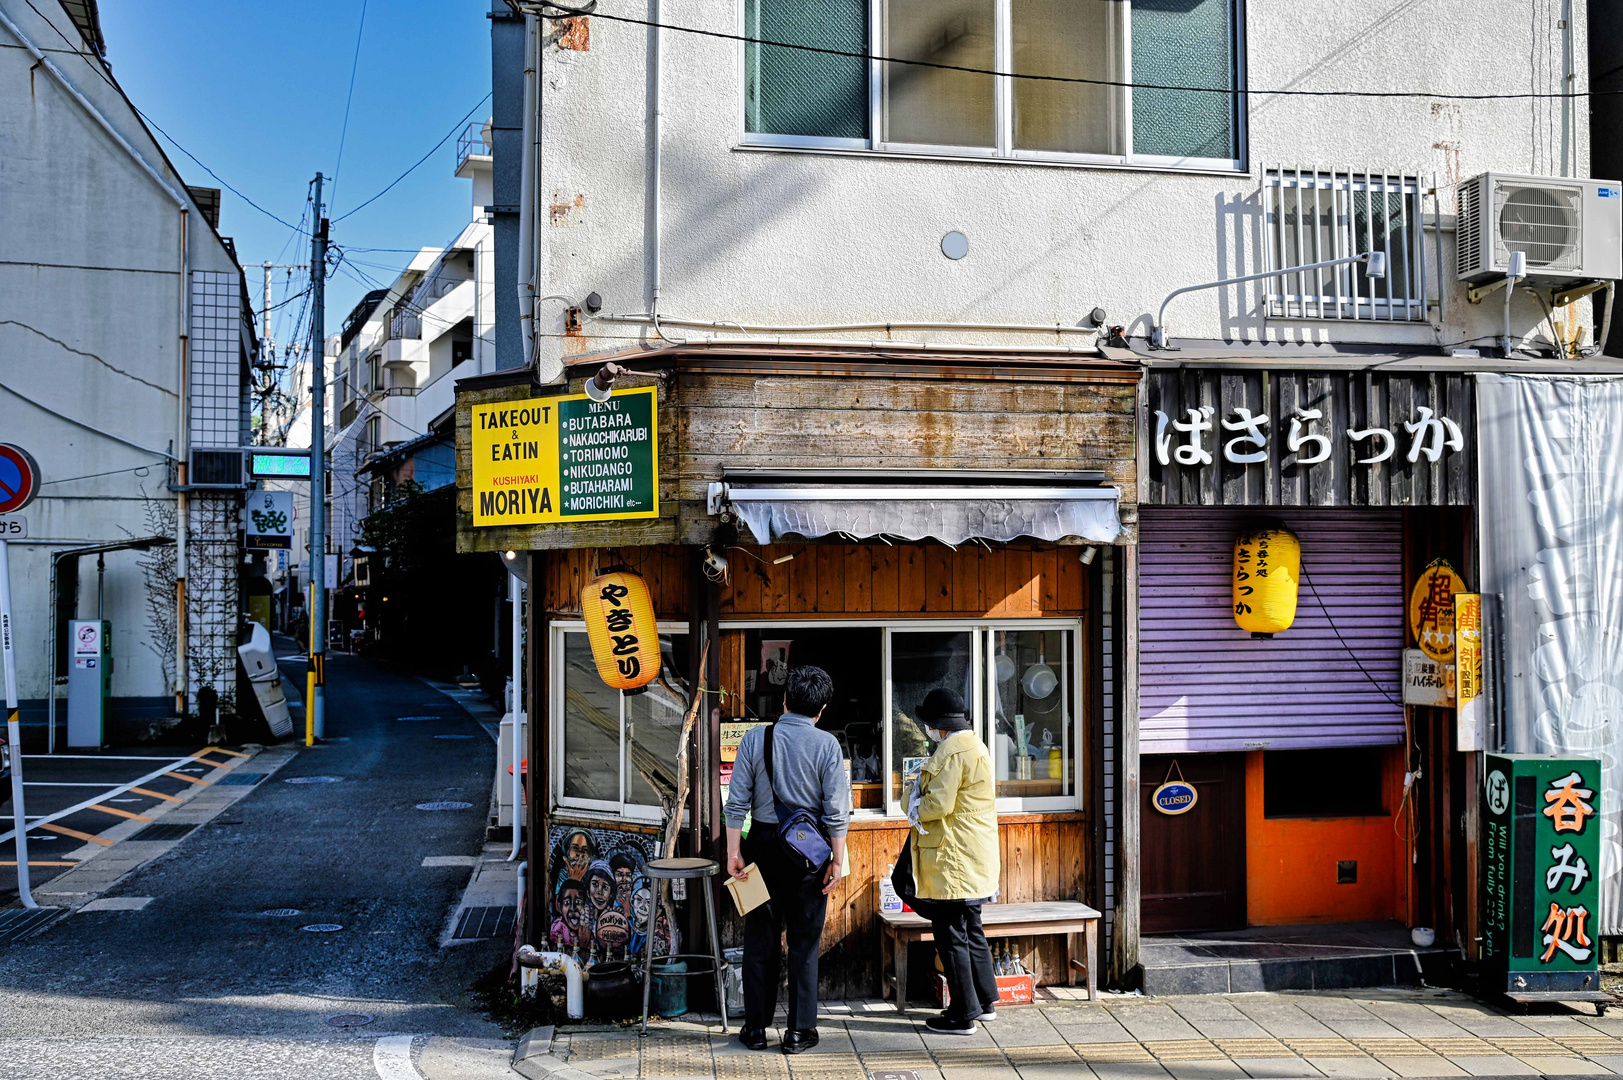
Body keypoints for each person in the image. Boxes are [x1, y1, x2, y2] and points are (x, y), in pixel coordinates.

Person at [725, 665, 849, 1055]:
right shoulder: (828, 745)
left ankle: (756, 1030)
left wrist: (734, 852)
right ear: (821, 708)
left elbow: (736, 802)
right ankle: (799, 1032)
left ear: (784, 700)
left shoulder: (755, 739)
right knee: (804, 942)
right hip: (809, 851)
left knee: (759, 939)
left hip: (760, 846)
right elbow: (835, 811)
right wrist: (837, 861)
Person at [909, 688, 1000, 1036]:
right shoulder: (976, 745)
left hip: (952, 858)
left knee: (949, 933)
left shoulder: (948, 753)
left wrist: (912, 803)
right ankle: (985, 1001)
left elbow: (937, 806)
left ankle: (962, 1014)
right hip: (975, 855)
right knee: (971, 927)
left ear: (937, 726)